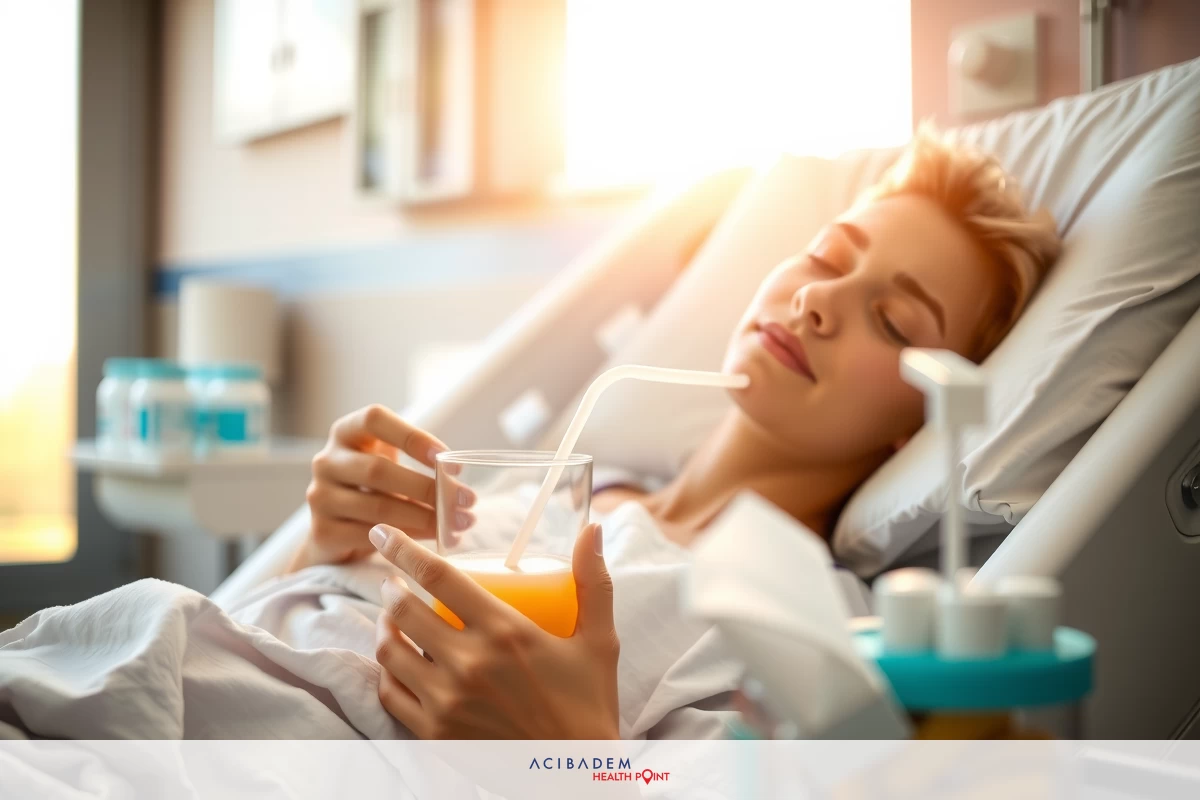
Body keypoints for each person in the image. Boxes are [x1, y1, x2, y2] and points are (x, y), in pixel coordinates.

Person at [0, 130, 1061, 742]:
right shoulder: (550, 491)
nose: (824, 302)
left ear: (920, 419)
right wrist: (323, 546)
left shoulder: (801, 614)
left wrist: (575, 754)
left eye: (895, 317)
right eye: (828, 257)